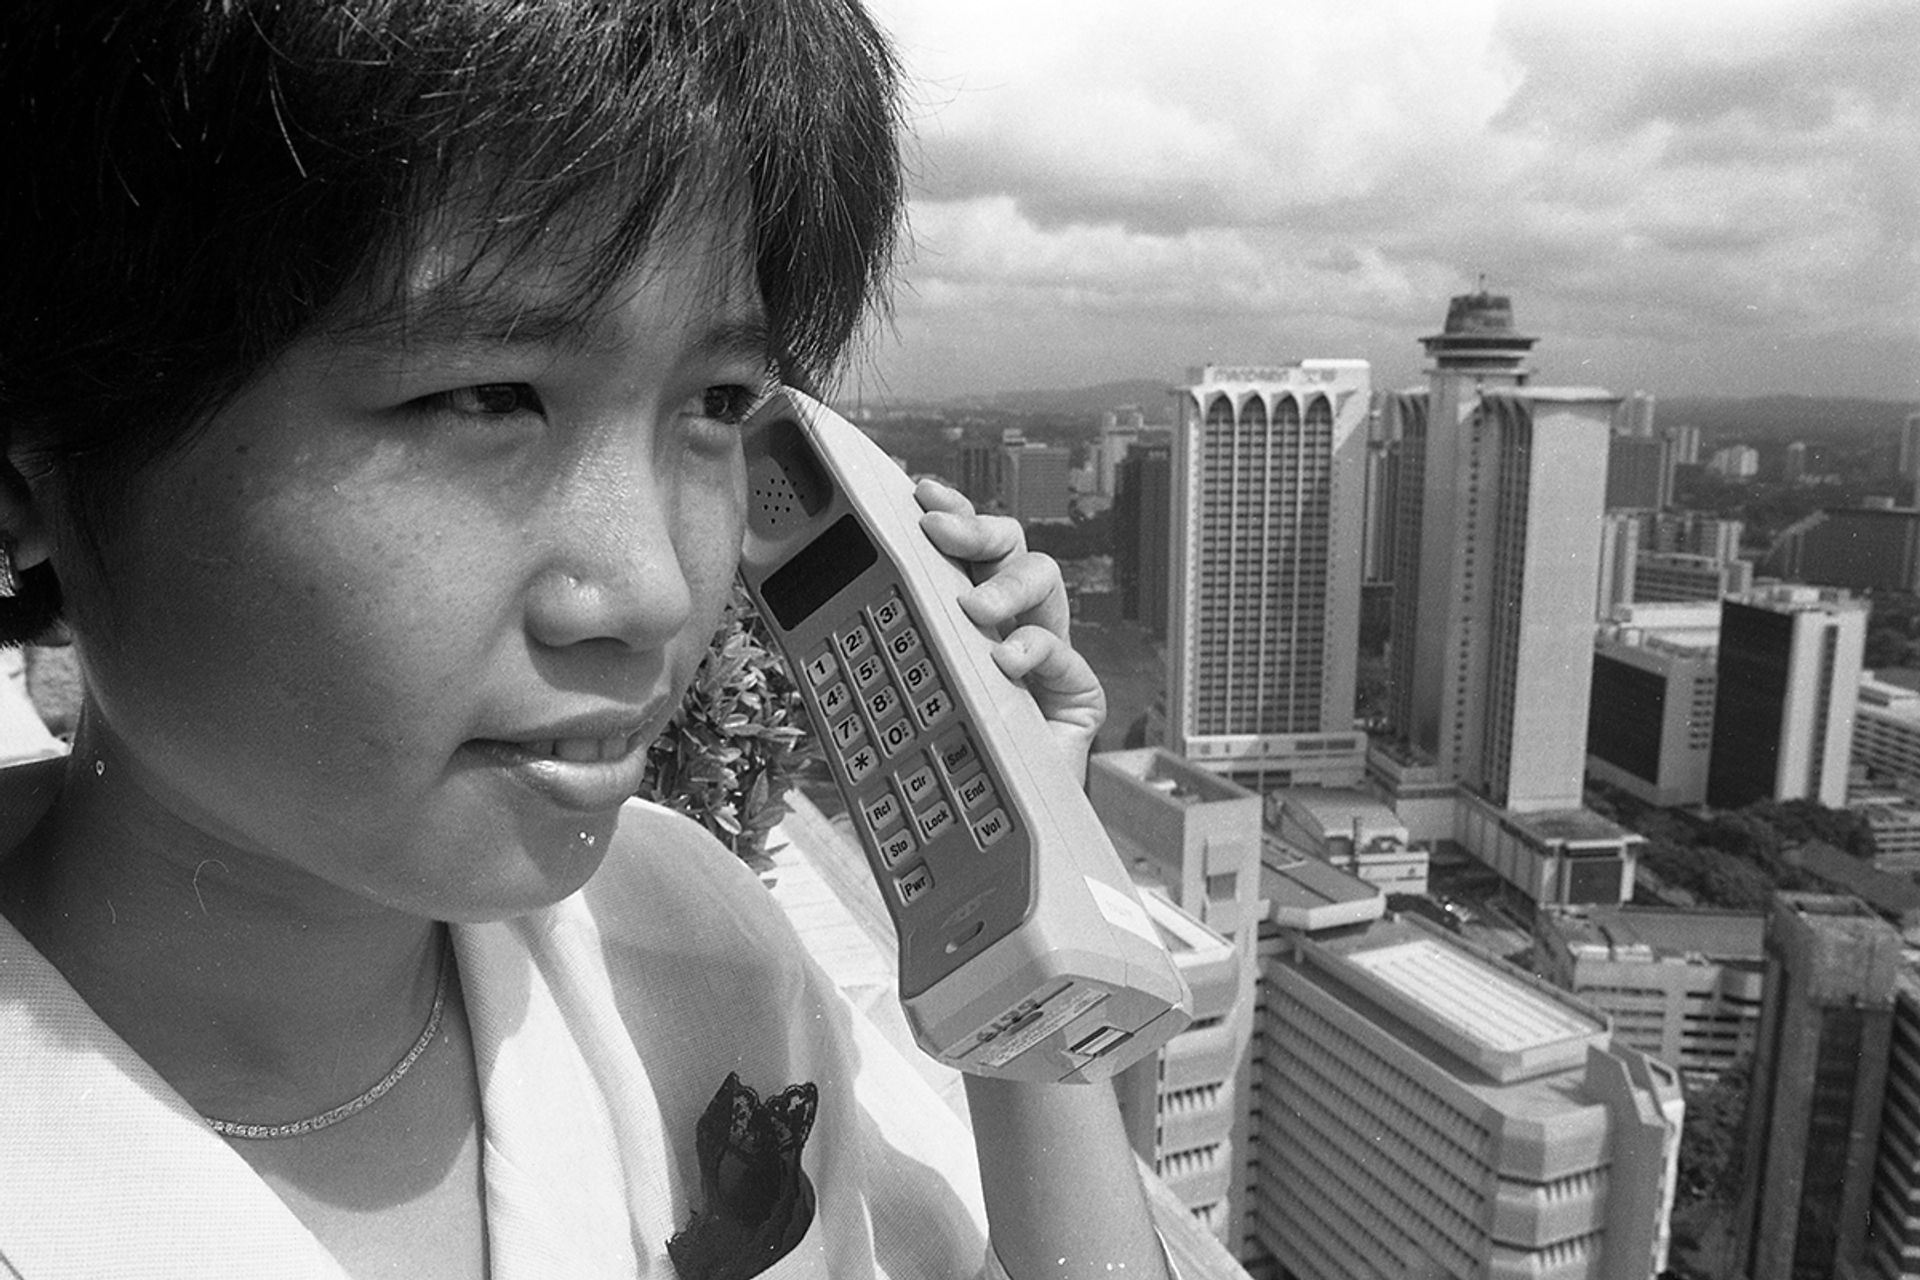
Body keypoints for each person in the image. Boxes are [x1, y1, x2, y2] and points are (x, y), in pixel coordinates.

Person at [0, 2, 1170, 1277]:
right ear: (33, 465)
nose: (654, 587)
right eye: (483, 396)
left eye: (718, 400)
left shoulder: (687, 939)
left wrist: (1016, 914)